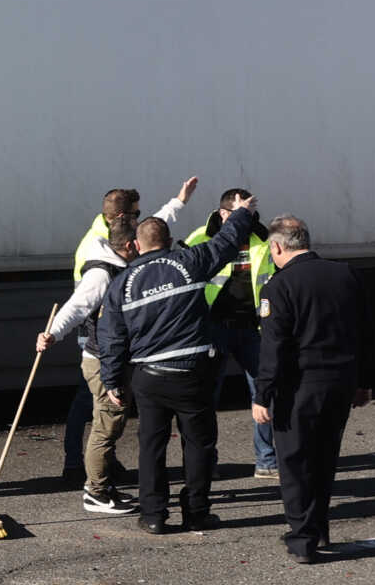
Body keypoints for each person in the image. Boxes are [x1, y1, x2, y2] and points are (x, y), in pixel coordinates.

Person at [99, 199, 263, 533]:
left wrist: (113, 381)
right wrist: (243, 212)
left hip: (149, 378)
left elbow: (111, 337)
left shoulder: (123, 283)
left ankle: (154, 516)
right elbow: (226, 242)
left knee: (151, 447)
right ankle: (197, 512)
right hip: (193, 374)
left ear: (136, 246)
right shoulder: (190, 260)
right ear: (170, 241)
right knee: (199, 445)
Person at [44, 179, 196, 514]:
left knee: (111, 420)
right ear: (129, 247)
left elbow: (157, 226)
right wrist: (52, 333)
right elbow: (76, 306)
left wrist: (179, 202)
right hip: (101, 356)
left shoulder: (120, 244)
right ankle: (95, 492)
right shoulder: (101, 272)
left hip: (113, 355)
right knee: (106, 423)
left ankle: (104, 484)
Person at [254, 216, 369, 563]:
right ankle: (319, 528)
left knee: (295, 463)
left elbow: (274, 347)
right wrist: (363, 381)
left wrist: (263, 394)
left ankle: (303, 539)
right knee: (324, 459)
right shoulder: (345, 274)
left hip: (299, 387)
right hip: (340, 382)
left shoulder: (278, 286)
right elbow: (365, 332)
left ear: (276, 246)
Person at [187, 187, 278, 480]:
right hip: (214, 328)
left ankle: (266, 461)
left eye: (251, 213)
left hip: (252, 328)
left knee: (263, 394)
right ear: (224, 213)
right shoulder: (201, 238)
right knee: (206, 399)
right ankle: (207, 462)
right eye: (243, 212)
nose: (249, 219)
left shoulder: (262, 238)